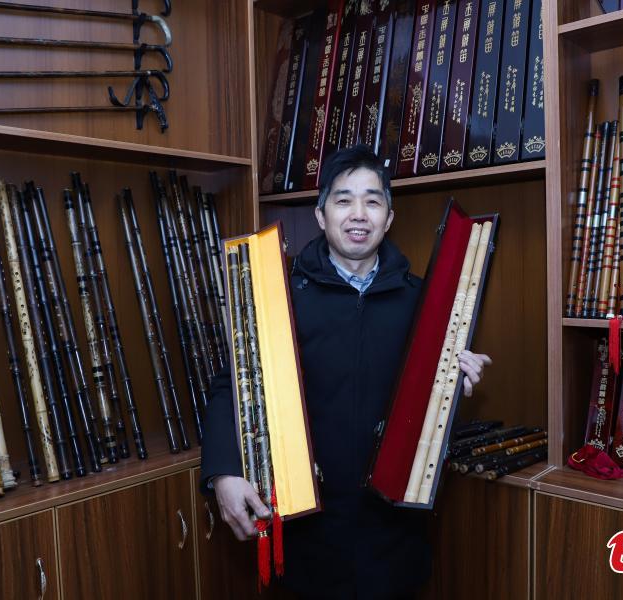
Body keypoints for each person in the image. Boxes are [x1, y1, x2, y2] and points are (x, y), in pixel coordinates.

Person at [201, 145, 491, 599]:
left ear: (389, 217)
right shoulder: (281, 295)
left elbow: (429, 410)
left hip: (393, 539)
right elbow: (230, 387)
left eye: (373, 201)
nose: (359, 214)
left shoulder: (425, 303)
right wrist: (222, 473)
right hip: (305, 536)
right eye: (343, 200)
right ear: (320, 215)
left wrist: (456, 380)